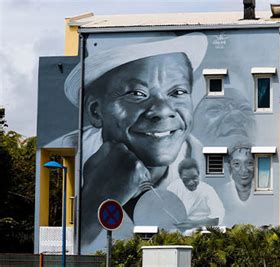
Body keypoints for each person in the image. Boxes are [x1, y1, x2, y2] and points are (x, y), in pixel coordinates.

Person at [50, 33, 209, 246]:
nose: (163, 111)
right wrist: (94, 201)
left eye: (178, 92)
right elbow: (68, 244)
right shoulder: (66, 155)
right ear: (96, 111)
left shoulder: (199, 157)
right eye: (137, 93)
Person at [167, 158, 225, 230]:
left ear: (198, 174)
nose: (191, 182)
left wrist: (194, 224)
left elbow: (217, 219)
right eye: (186, 180)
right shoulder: (174, 187)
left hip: (200, 231)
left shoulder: (208, 190)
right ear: (180, 177)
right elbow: (165, 208)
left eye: (194, 178)